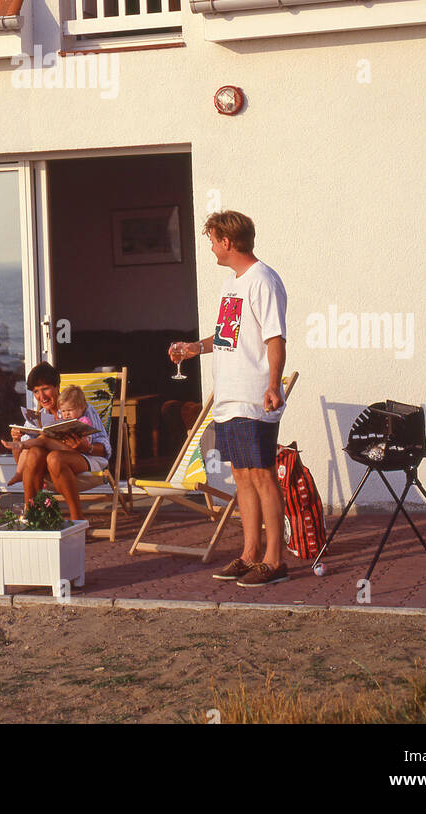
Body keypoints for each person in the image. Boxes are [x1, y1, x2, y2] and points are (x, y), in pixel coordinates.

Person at [168, 211, 289, 586]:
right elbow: (225, 336)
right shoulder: (230, 285)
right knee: (241, 476)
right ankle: (249, 555)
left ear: (228, 242)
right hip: (229, 398)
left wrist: (272, 385)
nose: (211, 246)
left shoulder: (263, 281)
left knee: (263, 475)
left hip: (254, 397)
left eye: (213, 239)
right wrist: (193, 348)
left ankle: (274, 560)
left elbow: (275, 340)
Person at [5, 363, 110, 521]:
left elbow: (104, 449)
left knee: (54, 457)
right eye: (36, 392)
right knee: (36, 453)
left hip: (85, 459)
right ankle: (31, 514)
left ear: (57, 386)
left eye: (45, 388)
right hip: (53, 466)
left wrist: (86, 447)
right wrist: (16, 439)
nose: (42, 397)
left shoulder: (79, 408)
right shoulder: (36, 418)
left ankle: (77, 518)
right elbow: (22, 461)